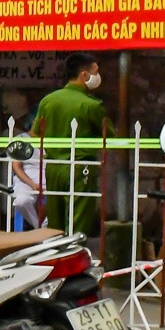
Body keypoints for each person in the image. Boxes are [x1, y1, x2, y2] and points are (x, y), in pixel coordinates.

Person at [32, 53, 108, 240]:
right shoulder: (91, 105)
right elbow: (109, 136)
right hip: (81, 167)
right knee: (77, 223)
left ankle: (54, 260)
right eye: (95, 72)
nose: (98, 77)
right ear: (84, 75)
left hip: (53, 168)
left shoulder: (48, 101)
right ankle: (74, 260)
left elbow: (35, 133)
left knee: (55, 224)